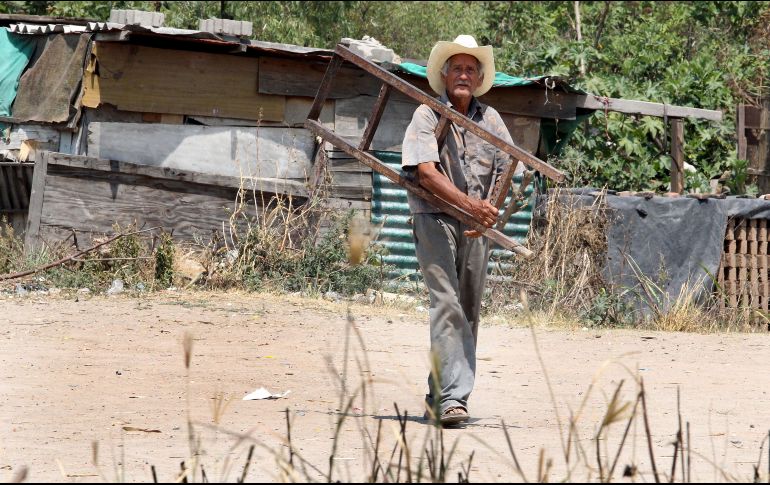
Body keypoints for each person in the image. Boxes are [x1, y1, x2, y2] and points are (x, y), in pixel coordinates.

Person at [401, 35, 523, 426]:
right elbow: (425, 172)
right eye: (457, 68)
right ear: (445, 75)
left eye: (471, 69)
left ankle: (441, 395)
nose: (464, 75)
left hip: (475, 227)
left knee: (467, 309)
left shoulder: (491, 119)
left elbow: (510, 165)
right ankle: (454, 400)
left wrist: (490, 211)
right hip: (433, 216)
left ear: (479, 76)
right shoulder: (427, 115)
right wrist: (470, 205)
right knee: (447, 303)